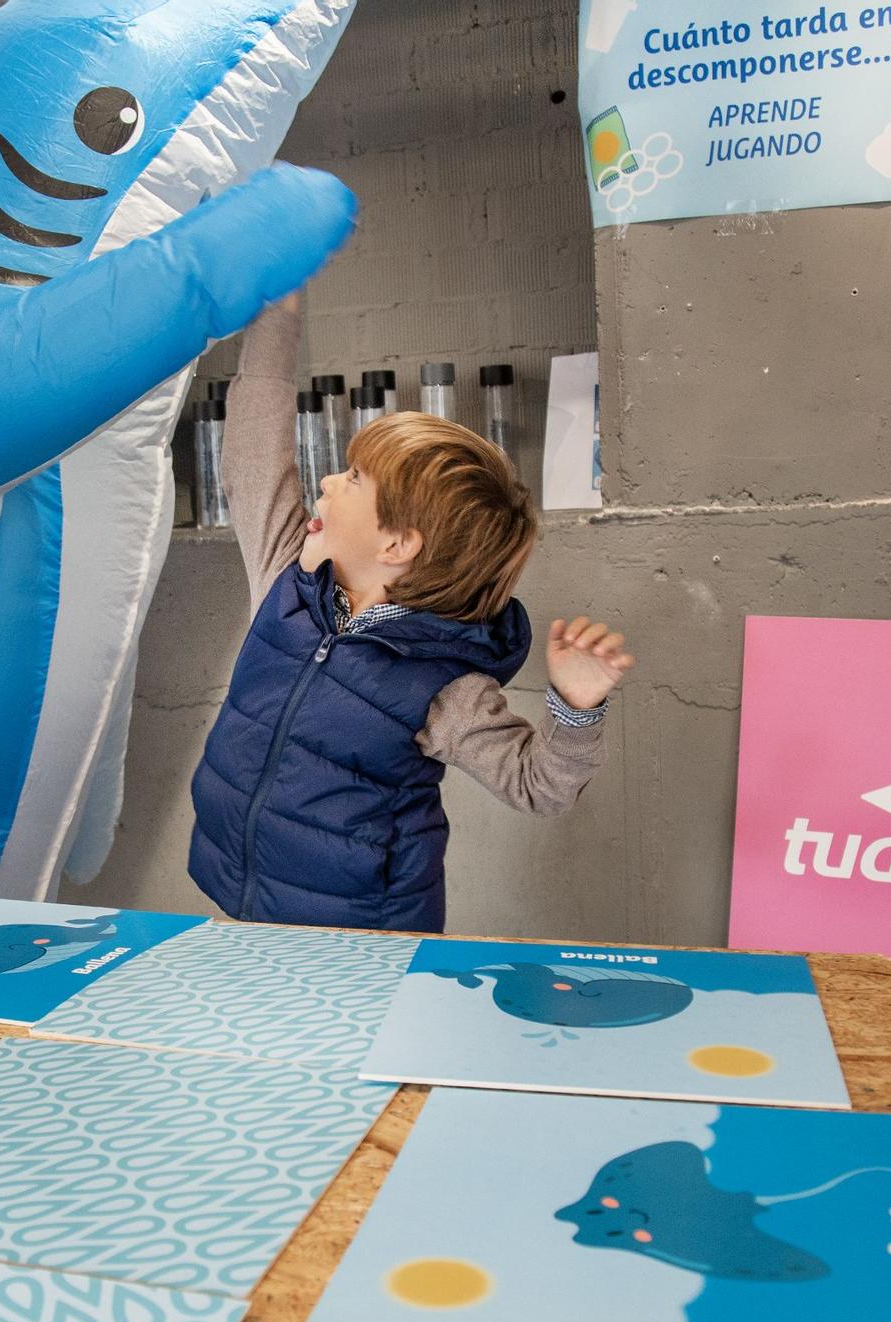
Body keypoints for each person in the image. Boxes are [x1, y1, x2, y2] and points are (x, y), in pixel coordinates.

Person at [188, 295, 634, 933]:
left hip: (364, 933)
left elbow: (540, 786)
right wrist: (277, 314)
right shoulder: (287, 576)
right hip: (242, 889)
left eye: (353, 479)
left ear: (396, 545)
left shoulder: (447, 686)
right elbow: (253, 459)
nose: (327, 484)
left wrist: (576, 709)